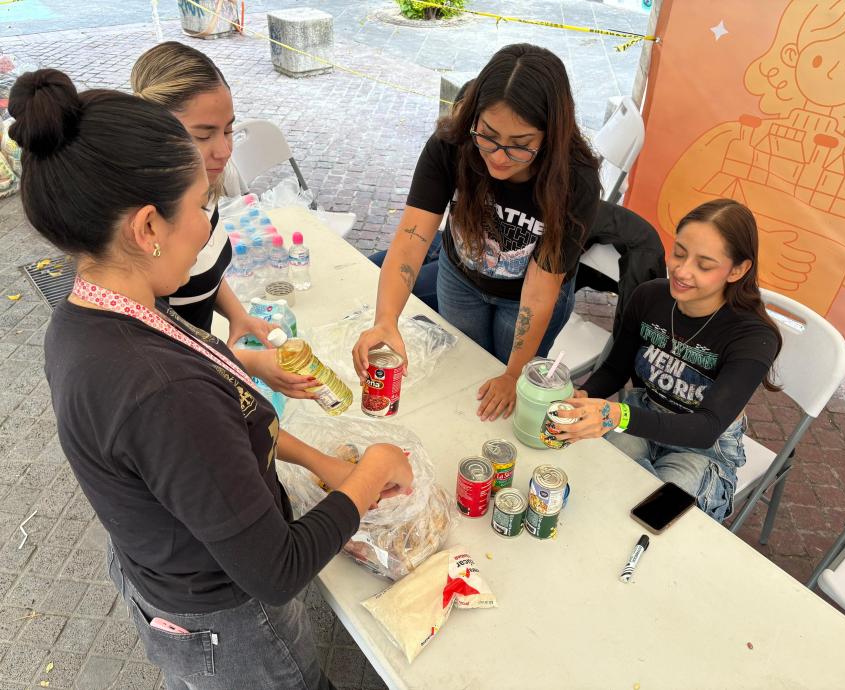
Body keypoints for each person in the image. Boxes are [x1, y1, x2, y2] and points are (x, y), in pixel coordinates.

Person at [11, 69, 413, 689]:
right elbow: (276, 572)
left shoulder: (92, 312)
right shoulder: (160, 391)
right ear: (147, 229)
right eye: (201, 206)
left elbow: (190, 436)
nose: (208, 226)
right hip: (228, 622)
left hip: (163, 577)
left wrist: (257, 382)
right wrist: (370, 473)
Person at [353, 43, 601, 422]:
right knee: (462, 374)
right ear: (474, 119)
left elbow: (540, 289)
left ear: (551, 136)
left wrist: (514, 373)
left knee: (504, 393)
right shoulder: (451, 144)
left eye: (520, 146)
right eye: (487, 134)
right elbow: (411, 240)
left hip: (526, 299)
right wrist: (386, 320)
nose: (499, 156)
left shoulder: (574, 178)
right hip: (461, 280)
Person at [553, 199, 781, 521]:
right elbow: (615, 369)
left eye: (704, 265)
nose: (682, 271)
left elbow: (706, 428)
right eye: (679, 252)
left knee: (650, 516)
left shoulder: (753, 337)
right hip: (642, 413)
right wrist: (585, 396)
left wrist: (613, 414)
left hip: (703, 449)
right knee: (594, 486)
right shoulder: (648, 296)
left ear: (738, 269)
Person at [131, 41, 315, 401]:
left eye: (228, 129)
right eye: (203, 135)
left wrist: (237, 315)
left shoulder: (201, 188)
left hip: (209, 365)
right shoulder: (143, 228)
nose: (225, 150)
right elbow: (165, 349)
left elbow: (205, 268)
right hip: (182, 386)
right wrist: (248, 363)